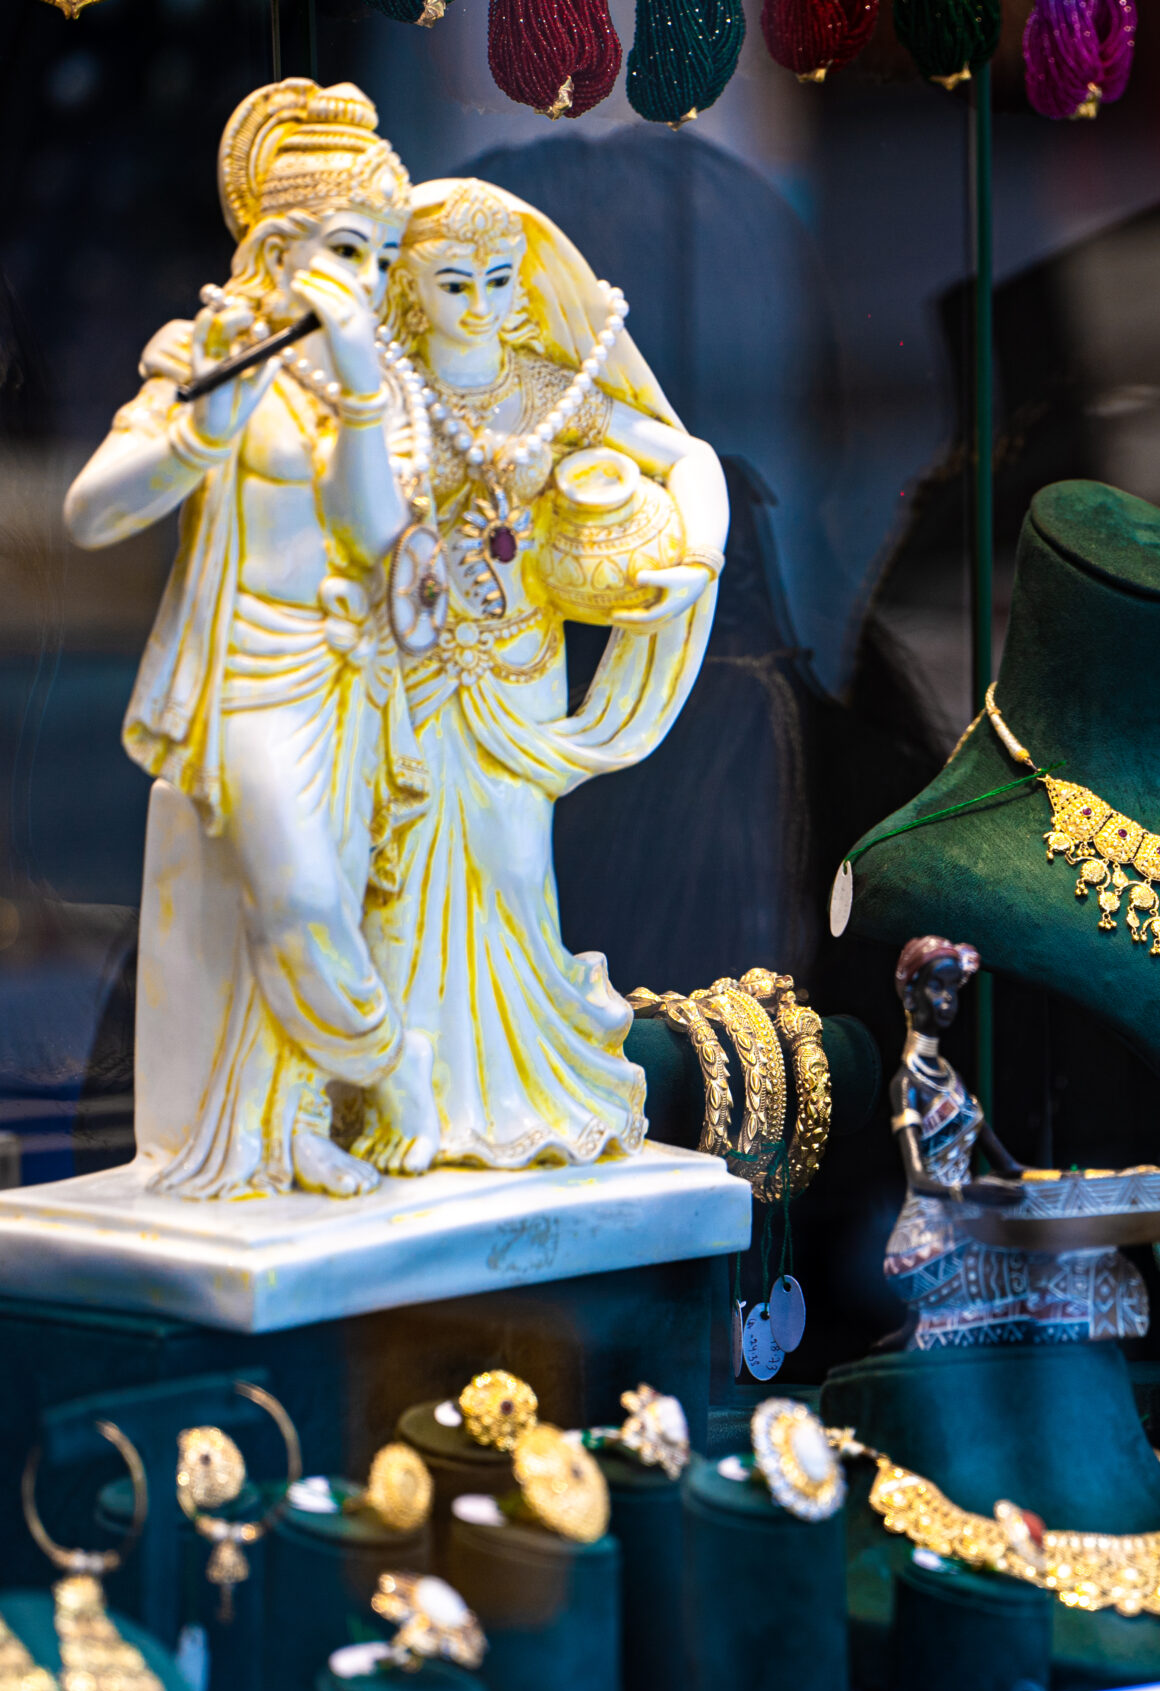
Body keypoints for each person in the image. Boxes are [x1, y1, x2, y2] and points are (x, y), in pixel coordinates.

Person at [63, 79, 434, 1199]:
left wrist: (360, 391)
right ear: (277, 250)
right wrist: (198, 432)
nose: (366, 281)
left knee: (326, 904)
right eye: (346, 250)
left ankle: (293, 1126)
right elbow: (91, 513)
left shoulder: (382, 381)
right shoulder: (209, 353)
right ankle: (388, 1062)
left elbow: (379, 535)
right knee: (300, 902)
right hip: (249, 678)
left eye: (383, 258)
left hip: (346, 679)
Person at [355, 177, 725, 1173]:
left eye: (496, 281)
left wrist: (698, 555)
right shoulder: (378, 387)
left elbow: (686, 457)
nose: (477, 304)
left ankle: (526, 1090)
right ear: (408, 285)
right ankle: (406, 1101)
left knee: (515, 870)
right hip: (411, 665)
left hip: (519, 662)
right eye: (453, 283)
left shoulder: (544, 388)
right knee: (397, 882)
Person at [881, 936, 1150, 1346]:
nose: (948, 998)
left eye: (953, 987)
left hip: (970, 1225)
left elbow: (1010, 1168)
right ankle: (938, 1324)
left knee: (1084, 1252)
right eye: (937, 986)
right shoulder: (906, 1085)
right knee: (1047, 1268)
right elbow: (918, 1180)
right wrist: (969, 1193)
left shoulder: (952, 1080)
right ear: (910, 995)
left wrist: (1081, 1180)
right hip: (923, 1242)